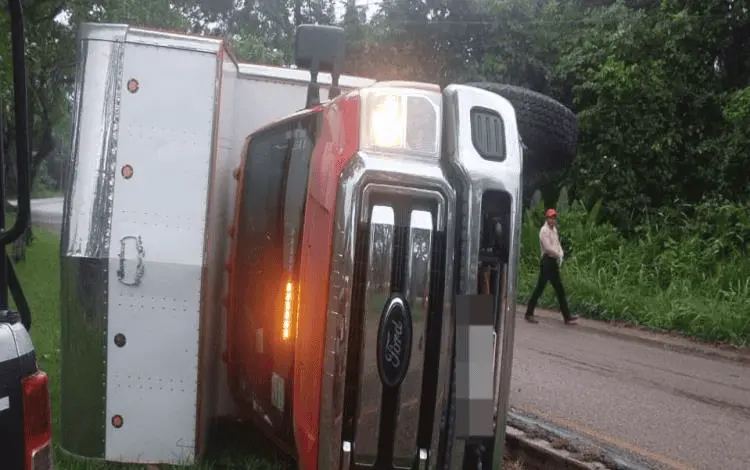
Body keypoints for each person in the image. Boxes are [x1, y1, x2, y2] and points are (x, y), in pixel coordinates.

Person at [524, 208, 578, 324]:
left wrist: (561, 253)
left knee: (560, 289)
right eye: (550, 218)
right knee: (540, 288)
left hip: (553, 262)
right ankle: (529, 313)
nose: (552, 220)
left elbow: (557, 244)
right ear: (547, 218)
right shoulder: (544, 231)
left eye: (554, 218)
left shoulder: (554, 230)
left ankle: (567, 316)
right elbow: (548, 248)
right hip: (547, 261)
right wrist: (558, 254)